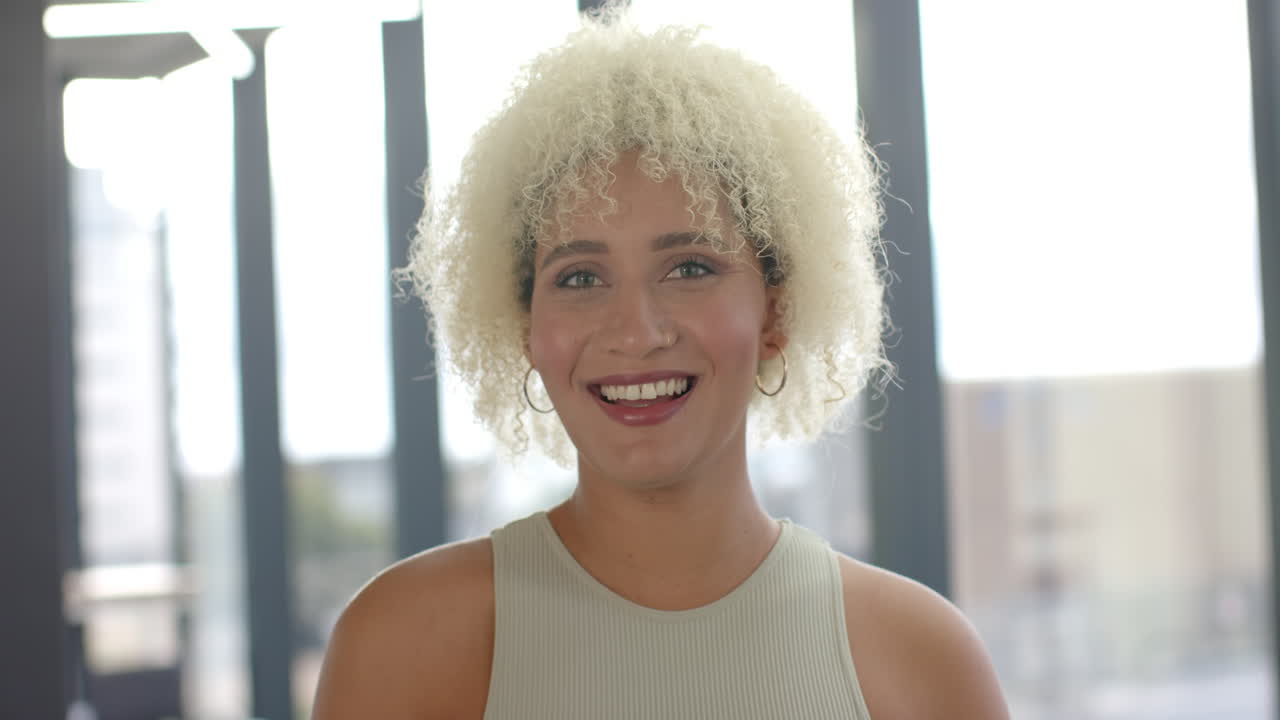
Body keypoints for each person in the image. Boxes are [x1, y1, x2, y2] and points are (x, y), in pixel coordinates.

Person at [312, 7, 1009, 719]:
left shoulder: (918, 657)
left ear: (777, 311)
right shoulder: (404, 642)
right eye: (580, 277)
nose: (636, 333)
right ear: (526, 328)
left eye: (691, 267)